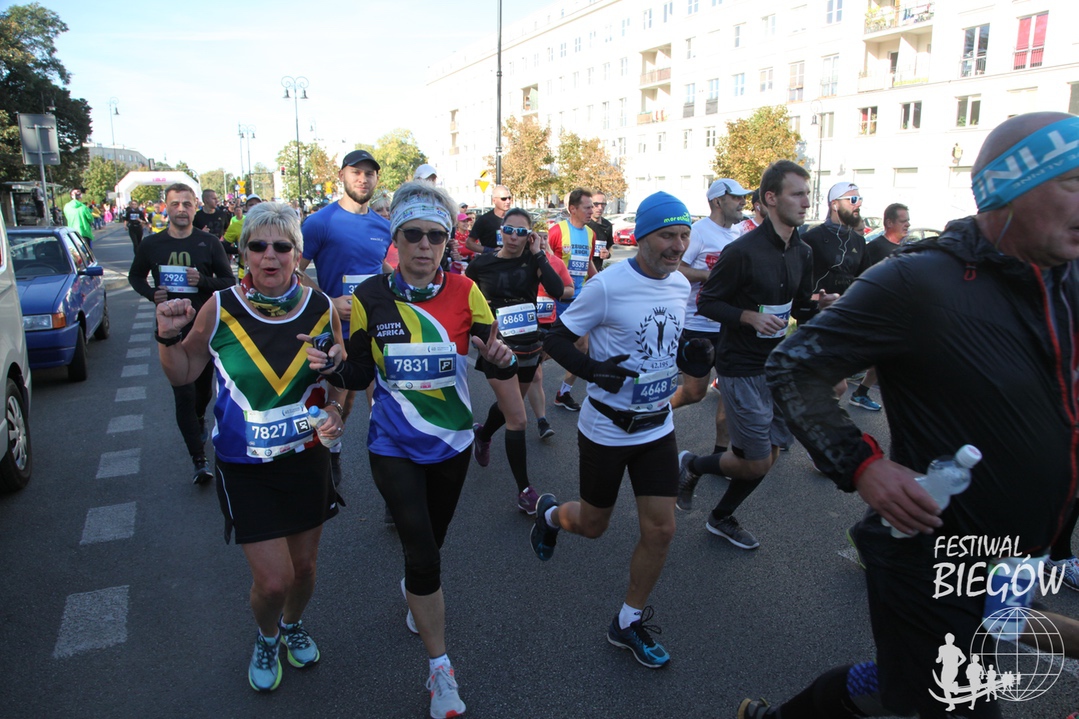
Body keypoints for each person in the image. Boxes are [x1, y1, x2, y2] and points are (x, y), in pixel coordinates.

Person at [740, 111, 1079, 719]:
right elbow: (794, 366)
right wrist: (864, 465)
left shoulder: (1066, 279)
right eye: (1073, 182)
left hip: (1016, 555)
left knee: (909, 685)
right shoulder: (919, 280)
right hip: (931, 556)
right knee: (955, 698)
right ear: (1010, 188)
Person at [306, 181, 516, 718]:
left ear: (447, 242)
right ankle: (440, 669)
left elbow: (492, 355)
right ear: (395, 240)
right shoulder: (370, 297)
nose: (425, 245)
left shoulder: (466, 291)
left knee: (432, 546)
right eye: (413, 235)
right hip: (392, 443)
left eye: (436, 236)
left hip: (452, 443)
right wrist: (332, 367)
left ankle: (416, 588)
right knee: (421, 551)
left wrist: (504, 358)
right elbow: (359, 370)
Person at [154, 201, 345, 693]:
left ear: (297, 255)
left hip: (306, 457)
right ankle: (267, 634)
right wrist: (167, 337)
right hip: (245, 465)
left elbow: (338, 375)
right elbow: (184, 371)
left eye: (282, 246)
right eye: (257, 246)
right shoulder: (220, 307)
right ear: (243, 254)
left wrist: (336, 407)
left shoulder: (321, 307)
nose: (269, 256)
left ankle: (291, 624)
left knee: (304, 570)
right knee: (274, 580)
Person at [531, 191, 714, 670]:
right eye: (668, 236)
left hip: (656, 426)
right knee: (593, 526)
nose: (678, 247)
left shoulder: (679, 285)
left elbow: (663, 342)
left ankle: (627, 621)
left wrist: (688, 355)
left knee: (662, 529)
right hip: (607, 429)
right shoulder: (608, 286)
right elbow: (556, 339)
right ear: (644, 237)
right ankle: (550, 516)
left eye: (684, 236)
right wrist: (594, 371)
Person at [678, 161, 836, 550]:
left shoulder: (803, 251)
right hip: (740, 366)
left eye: (808, 193)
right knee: (757, 459)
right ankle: (693, 464)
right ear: (771, 198)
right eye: (797, 194)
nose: (806, 202)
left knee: (773, 452)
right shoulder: (741, 251)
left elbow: (800, 307)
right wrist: (748, 316)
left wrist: (821, 304)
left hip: (778, 365)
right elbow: (709, 302)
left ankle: (721, 516)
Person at [128, 183, 236, 483]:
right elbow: (135, 276)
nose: (181, 209)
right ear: (166, 207)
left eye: (187, 204)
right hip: (171, 332)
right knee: (183, 393)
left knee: (202, 393)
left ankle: (200, 418)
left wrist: (202, 280)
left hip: (203, 329)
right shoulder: (152, 244)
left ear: (195, 206)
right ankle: (199, 460)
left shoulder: (208, 242)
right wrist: (152, 294)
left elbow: (228, 281)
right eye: (175, 204)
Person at [297, 149, 392, 487]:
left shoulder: (383, 226)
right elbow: (294, 271)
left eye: (369, 173)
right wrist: (329, 302)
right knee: (343, 400)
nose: (363, 179)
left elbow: (378, 264)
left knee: (383, 404)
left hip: (378, 329)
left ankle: (392, 479)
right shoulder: (319, 222)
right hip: (340, 331)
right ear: (342, 176)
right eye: (356, 172)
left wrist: (398, 282)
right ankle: (333, 451)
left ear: (377, 179)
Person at [467, 207, 564, 513]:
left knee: (511, 406)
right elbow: (465, 302)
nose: (513, 237)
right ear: (501, 231)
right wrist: (481, 334)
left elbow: (557, 290)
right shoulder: (481, 264)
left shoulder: (533, 260)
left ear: (529, 236)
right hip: (497, 350)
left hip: (529, 347)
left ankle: (483, 434)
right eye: (509, 230)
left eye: (521, 232)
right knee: (518, 418)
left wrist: (539, 253)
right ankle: (525, 491)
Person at [669, 178, 749, 486]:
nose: (743, 202)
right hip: (697, 325)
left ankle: (719, 457)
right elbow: (676, 268)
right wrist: (709, 275)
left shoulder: (740, 233)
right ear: (718, 201)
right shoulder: (699, 232)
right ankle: (651, 414)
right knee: (694, 392)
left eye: (744, 197)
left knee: (730, 394)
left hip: (729, 325)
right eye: (736, 197)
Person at [546, 188, 598, 411]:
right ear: (573, 209)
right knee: (547, 349)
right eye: (587, 207)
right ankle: (521, 374)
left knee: (582, 346)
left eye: (592, 207)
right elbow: (544, 261)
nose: (591, 211)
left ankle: (563, 393)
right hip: (557, 299)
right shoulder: (557, 231)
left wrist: (601, 282)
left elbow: (587, 263)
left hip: (580, 299)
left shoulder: (591, 234)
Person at [526, 233, 574, 440]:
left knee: (534, 373)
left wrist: (554, 289)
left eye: (545, 237)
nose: (542, 241)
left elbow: (569, 289)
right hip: (523, 325)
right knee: (533, 374)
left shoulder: (555, 262)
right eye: (537, 237)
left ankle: (540, 420)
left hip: (546, 324)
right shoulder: (520, 261)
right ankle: (539, 420)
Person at [465, 185, 512, 255]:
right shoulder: (484, 220)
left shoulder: (514, 218)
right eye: (503, 199)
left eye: (509, 198)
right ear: (494, 200)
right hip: (491, 260)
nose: (508, 201)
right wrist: (491, 250)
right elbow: (469, 243)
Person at [864, 202, 911, 267]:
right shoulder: (874, 248)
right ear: (889, 223)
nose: (908, 224)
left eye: (908, 221)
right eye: (903, 221)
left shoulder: (905, 248)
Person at [586, 191, 613, 272]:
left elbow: (610, 246)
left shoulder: (607, 225)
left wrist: (607, 254)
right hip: (582, 271)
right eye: (596, 204)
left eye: (603, 204)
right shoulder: (583, 223)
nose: (600, 208)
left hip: (597, 271)